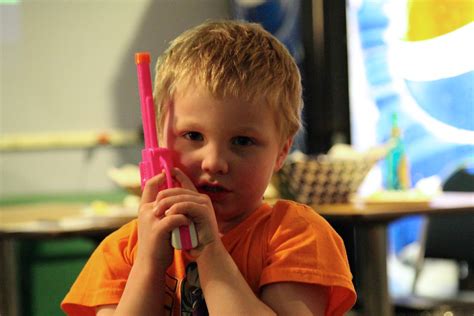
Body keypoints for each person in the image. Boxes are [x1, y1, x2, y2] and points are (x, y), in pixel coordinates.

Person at [61, 20, 356, 315]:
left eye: (242, 141)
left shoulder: (296, 234)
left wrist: (210, 252)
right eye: (193, 136)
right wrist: (148, 263)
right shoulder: (124, 249)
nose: (214, 162)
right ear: (159, 139)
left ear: (281, 152)